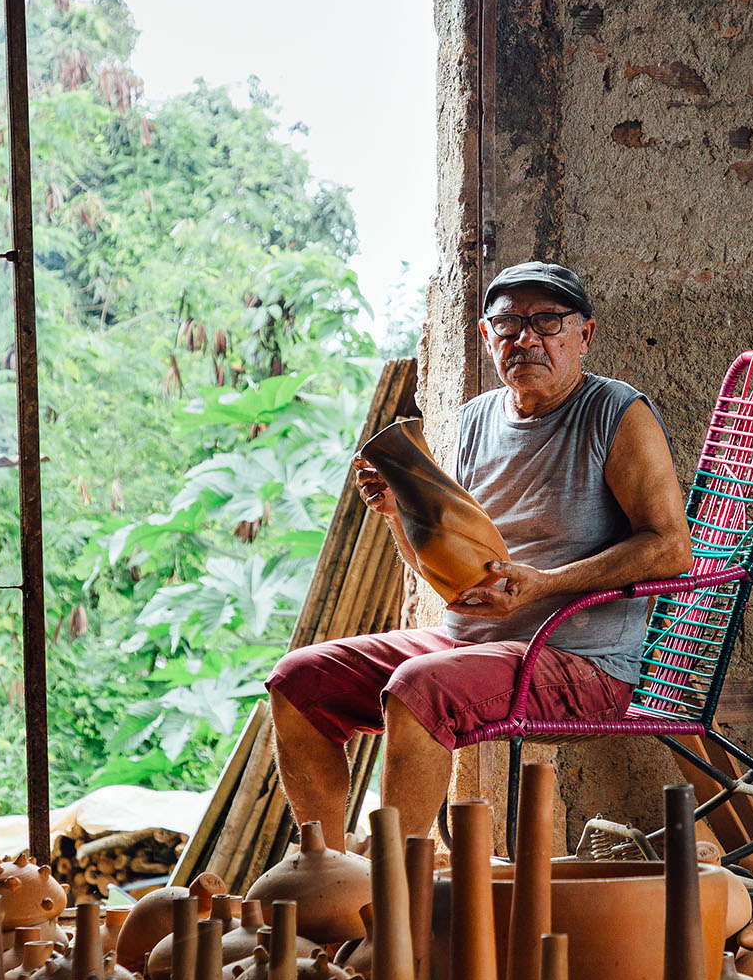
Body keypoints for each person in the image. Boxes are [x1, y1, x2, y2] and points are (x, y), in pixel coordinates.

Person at [267, 261, 692, 845]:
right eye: (508, 323)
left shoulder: (613, 412)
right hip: (469, 645)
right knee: (299, 681)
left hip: (586, 659)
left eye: (547, 321)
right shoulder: (474, 419)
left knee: (422, 689)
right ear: (489, 336)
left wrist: (543, 584)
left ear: (584, 335)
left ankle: (395, 895)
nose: (526, 337)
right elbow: (441, 569)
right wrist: (396, 516)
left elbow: (671, 548)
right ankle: (331, 877)